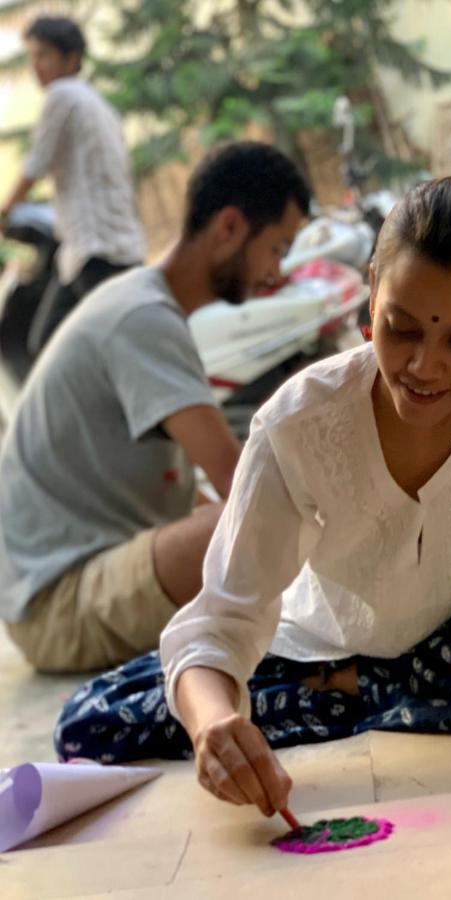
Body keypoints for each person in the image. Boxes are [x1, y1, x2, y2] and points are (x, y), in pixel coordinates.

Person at [55, 173, 451, 821]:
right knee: (92, 725)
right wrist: (215, 727)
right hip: (312, 649)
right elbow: (226, 616)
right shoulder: (298, 424)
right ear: (371, 293)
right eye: (400, 328)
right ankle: (359, 689)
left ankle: (357, 695)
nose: (424, 366)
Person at [0, 141, 310, 673]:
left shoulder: (145, 305)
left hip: (75, 581)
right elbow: (244, 481)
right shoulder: (142, 317)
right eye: (277, 248)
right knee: (264, 513)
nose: (276, 272)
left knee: (254, 519)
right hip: (58, 604)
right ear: (230, 227)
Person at [0, 15, 145, 355]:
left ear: (72, 58)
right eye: (32, 56)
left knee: (58, 347)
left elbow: (34, 166)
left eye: (44, 56)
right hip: (110, 247)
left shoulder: (62, 96)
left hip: (96, 251)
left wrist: (4, 211)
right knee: (57, 345)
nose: (36, 66)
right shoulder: (97, 104)